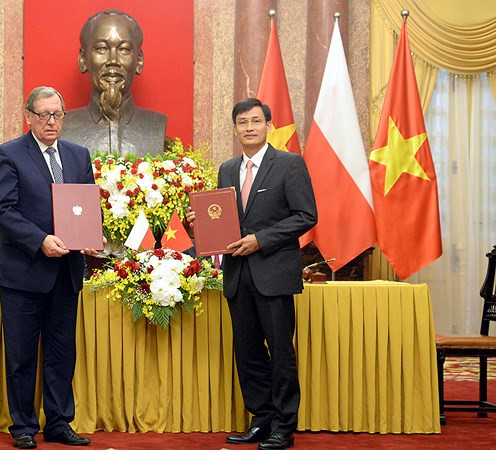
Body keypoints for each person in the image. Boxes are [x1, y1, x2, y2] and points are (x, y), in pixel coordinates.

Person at [187, 98, 316, 449]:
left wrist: (261, 240)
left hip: (272, 273)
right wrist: (199, 225)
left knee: (280, 352)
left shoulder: (289, 164)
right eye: (242, 122)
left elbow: (305, 216)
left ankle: (284, 426)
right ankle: (260, 419)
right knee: (247, 352)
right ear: (234, 129)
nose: (249, 128)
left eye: (256, 121)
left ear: (268, 126)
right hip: (237, 275)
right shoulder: (227, 169)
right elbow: (222, 217)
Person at [0, 86, 99, 448]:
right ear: (29, 117)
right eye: (44, 115)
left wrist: (88, 235)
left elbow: (85, 207)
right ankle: (22, 426)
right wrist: (40, 240)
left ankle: (59, 423)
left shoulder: (78, 155)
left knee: (61, 352)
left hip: (66, 273)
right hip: (24, 274)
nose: (52, 121)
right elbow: (3, 210)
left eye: (58, 114)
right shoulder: (9, 154)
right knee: (21, 355)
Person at [60, 9, 167, 157]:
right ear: (83, 59)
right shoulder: (63, 126)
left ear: (139, 61)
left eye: (124, 49)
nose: (113, 61)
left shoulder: (156, 125)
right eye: (101, 48)